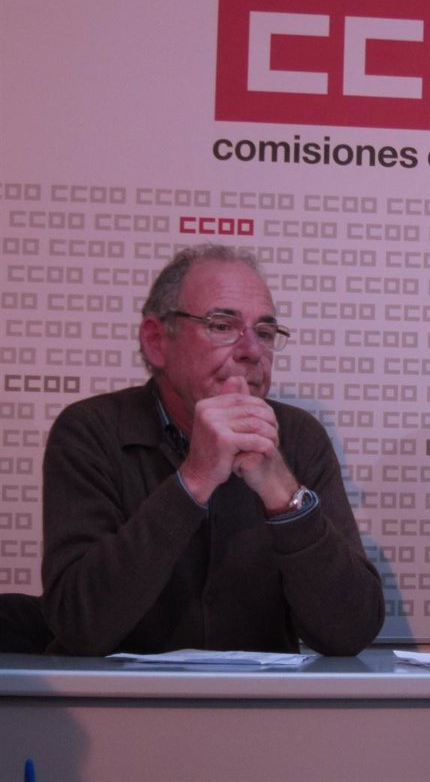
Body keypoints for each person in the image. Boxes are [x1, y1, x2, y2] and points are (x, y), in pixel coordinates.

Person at [41, 244, 384, 656]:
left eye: (265, 333)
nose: (251, 350)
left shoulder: (298, 437)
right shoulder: (90, 431)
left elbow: (350, 632)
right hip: (119, 695)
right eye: (222, 326)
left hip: (265, 697)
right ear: (156, 341)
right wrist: (194, 480)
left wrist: (283, 497)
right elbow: (79, 623)